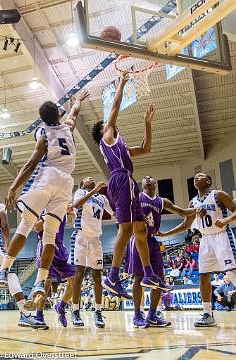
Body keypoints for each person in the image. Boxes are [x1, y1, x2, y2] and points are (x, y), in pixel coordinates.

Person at [0, 91, 89, 310]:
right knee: (50, 235)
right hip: (67, 183)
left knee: (26, 225)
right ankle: (40, 281)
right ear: (58, 114)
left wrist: (14, 186)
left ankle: (3, 269)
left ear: (42, 119)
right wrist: (77, 101)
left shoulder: (43, 132)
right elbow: (74, 112)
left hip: (49, 176)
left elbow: (31, 162)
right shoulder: (68, 127)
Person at [92, 71, 170, 297]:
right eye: (108, 124)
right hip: (120, 179)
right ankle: (113, 276)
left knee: (141, 229)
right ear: (104, 130)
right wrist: (122, 83)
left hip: (128, 182)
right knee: (126, 229)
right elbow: (115, 106)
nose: (113, 125)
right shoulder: (108, 138)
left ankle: (148, 273)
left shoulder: (121, 146)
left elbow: (146, 148)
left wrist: (147, 124)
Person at [158, 172, 236, 327]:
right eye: (195, 176)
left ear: (208, 181)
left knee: (232, 272)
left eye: (200, 176)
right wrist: (165, 234)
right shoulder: (193, 202)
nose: (196, 177)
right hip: (205, 239)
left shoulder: (218, 195)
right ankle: (208, 314)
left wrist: (226, 220)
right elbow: (186, 225)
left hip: (222, 236)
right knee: (203, 276)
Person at [125, 175, 198, 327]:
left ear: (155, 184)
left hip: (153, 240)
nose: (148, 177)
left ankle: (152, 315)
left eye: (151, 178)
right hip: (138, 239)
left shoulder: (163, 201)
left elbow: (184, 212)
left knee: (158, 279)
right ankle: (137, 315)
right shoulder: (137, 197)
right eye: (145, 178)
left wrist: (198, 209)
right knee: (139, 277)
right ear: (143, 184)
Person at [70, 177, 114, 328]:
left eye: (91, 178)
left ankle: (98, 312)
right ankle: (75, 311)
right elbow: (76, 204)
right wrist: (94, 191)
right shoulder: (80, 192)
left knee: (97, 276)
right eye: (87, 178)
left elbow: (113, 211)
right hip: (81, 236)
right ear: (83, 184)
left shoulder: (102, 198)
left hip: (96, 239)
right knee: (79, 274)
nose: (91, 178)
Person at [0, 193, 44, 328]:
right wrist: (7, 244)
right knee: (10, 275)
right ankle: (25, 314)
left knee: (10, 276)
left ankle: (25, 314)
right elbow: (5, 226)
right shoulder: (0, 206)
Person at [34, 205, 76, 328]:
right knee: (46, 283)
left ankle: (61, 307)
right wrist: (54, 213)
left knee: (75, 281)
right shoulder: (43, 207)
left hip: (59, 248)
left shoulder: (62, 206)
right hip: (45, 246)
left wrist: (68, 212)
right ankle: (39, 316)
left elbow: (72, 210)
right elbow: (36, 227)